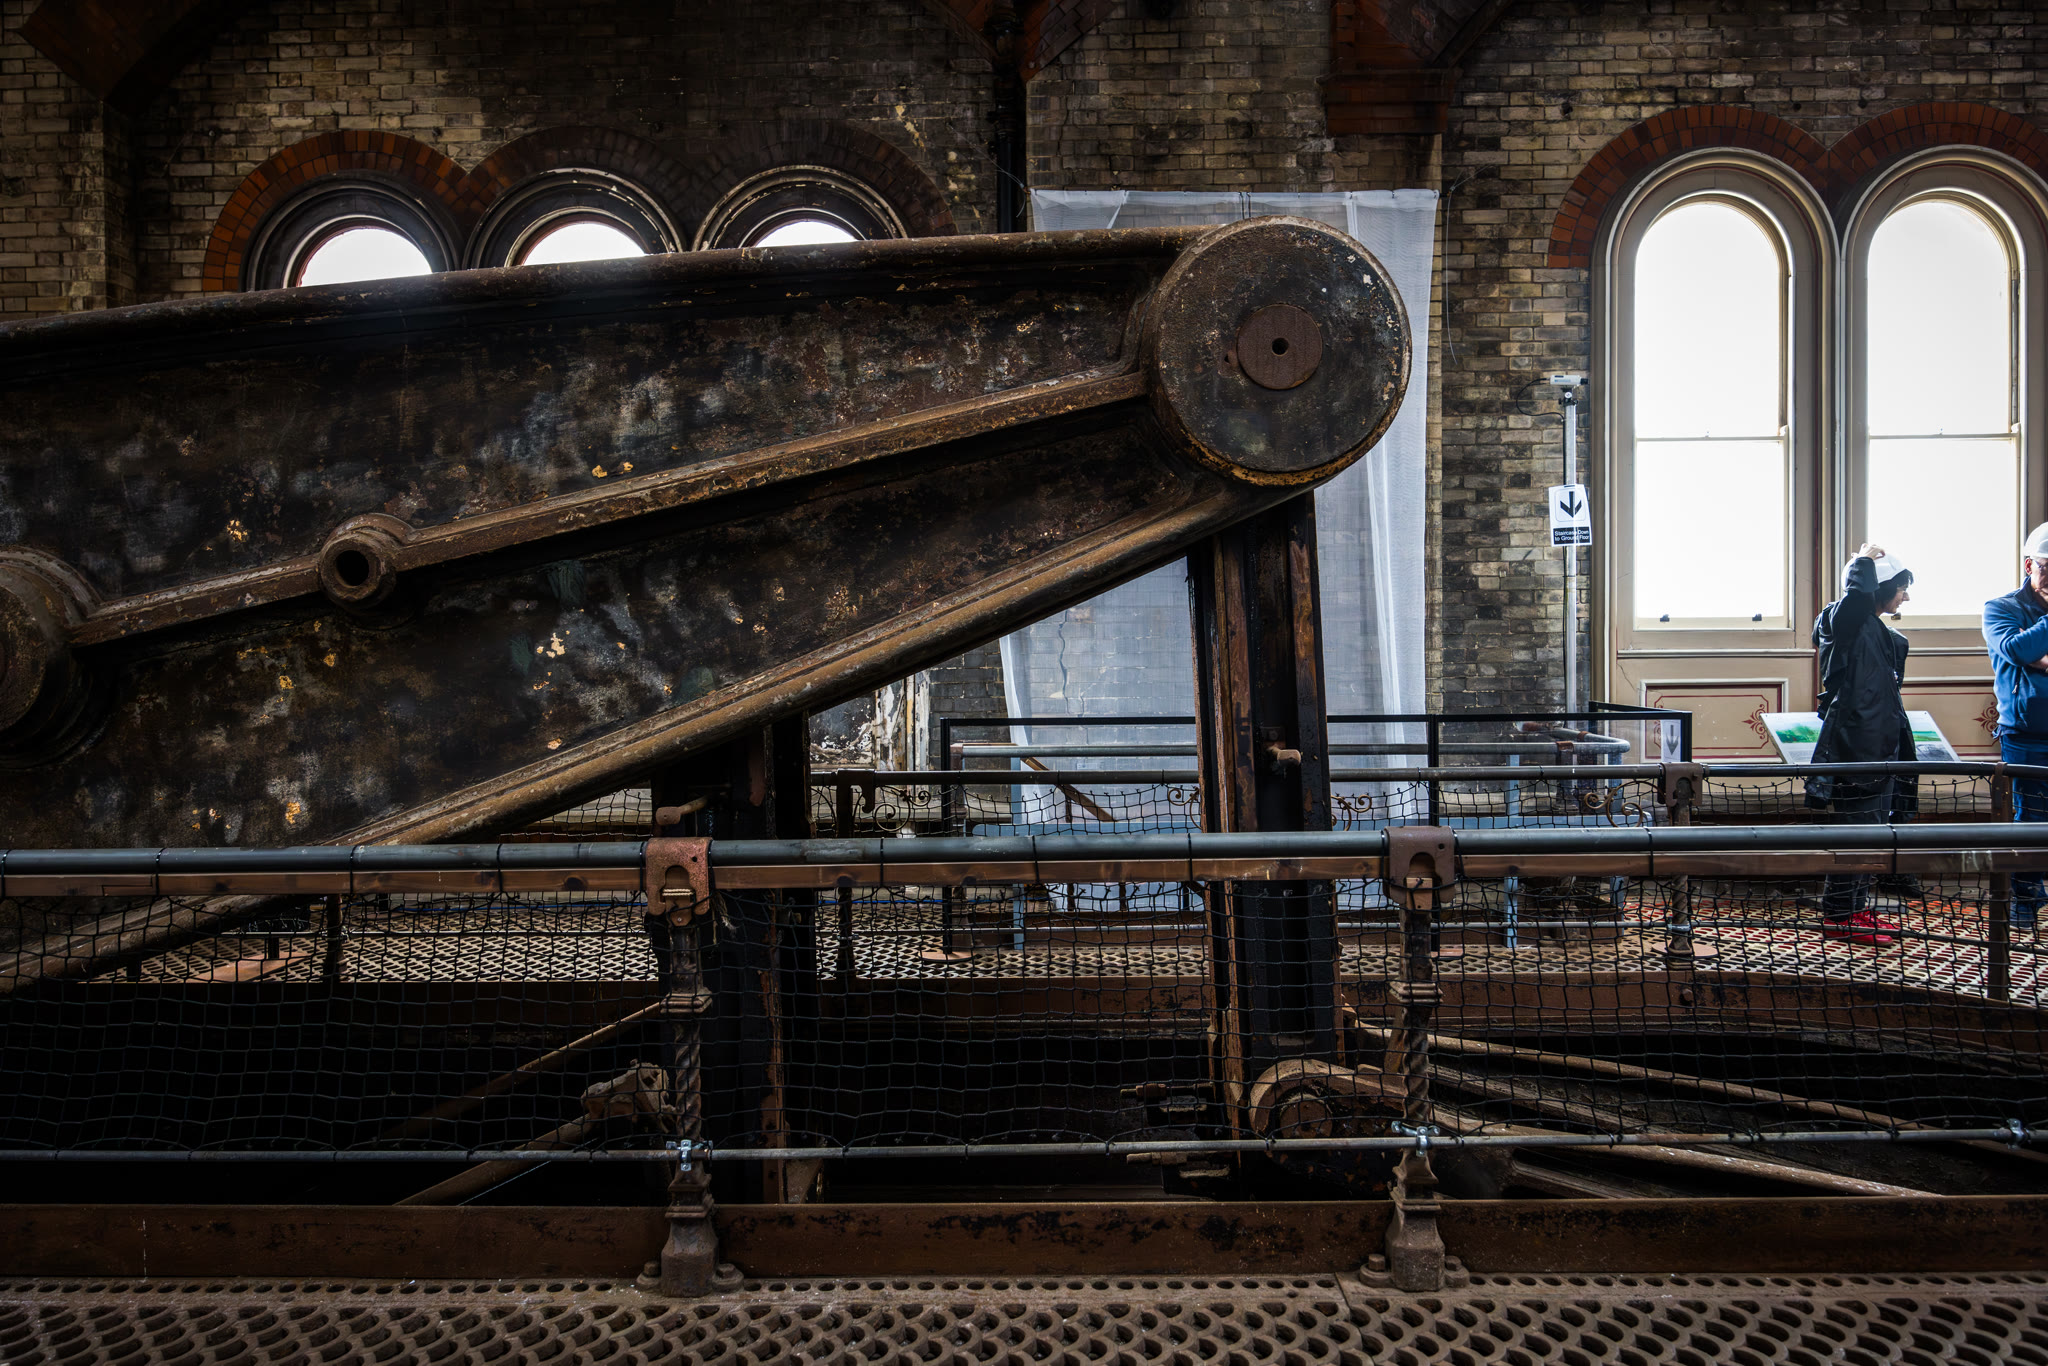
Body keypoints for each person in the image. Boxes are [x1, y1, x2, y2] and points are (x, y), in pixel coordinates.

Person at [1806, 543, 1915, 945]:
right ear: (1879, 587)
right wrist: (1864, 560)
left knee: (1871, 835)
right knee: (1856, 835)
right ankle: (1841, 916)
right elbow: (1854, 598)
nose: (1905, 597)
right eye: (1901, 589)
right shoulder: (1843, 618)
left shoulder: (1876, 629)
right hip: (1858, 749)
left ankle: (1855, 909)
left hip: (1881, 747)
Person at [1981, 522, 2048, 932]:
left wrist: (2036, 652)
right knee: (2031, 819)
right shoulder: (2001, 608)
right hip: (2027, 735)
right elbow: (2015, 648)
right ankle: (2025, 900)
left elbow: (2029, 651)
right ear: (2029, 565)